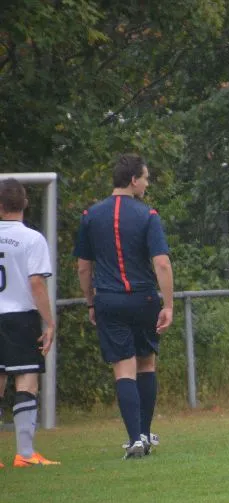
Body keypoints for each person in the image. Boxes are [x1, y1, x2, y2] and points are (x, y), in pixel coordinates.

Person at [74, 154, 174, 460]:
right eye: (145, 178)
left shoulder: (91, 215)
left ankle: (134, 439)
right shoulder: (148, 215)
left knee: (123, 368)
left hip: (108, 299)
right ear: (133, 180)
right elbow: (162, 263)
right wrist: (168, 304)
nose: (146, 184)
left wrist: (91, 301)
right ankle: (144, 433)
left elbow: (83, 267)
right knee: (146, 364)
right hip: (143, 298)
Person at [0, 179, 58, 468]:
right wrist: (49, 321)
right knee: (26, 380)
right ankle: (25, 454)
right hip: (20, 316)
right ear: (25, 203)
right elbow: (36, 282)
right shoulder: (32, 239)